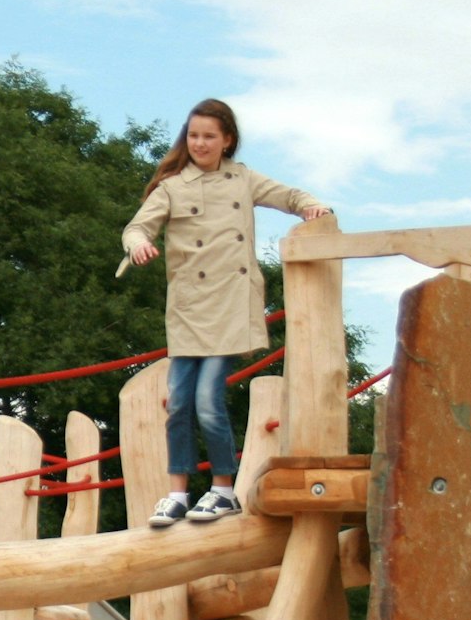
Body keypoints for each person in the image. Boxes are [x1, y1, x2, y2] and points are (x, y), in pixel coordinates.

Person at [121, 99, 331, 528]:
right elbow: (137, 226)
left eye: (209, 136)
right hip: (189, 307)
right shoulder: (172, 187)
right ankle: (177, 492)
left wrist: (312, 206)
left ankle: (222, 490)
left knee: (206, 401)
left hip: (231, 303)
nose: (200, 143)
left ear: (227, 140)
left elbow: (289, 195)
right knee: (178, 402)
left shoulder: (243, 179)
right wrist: (138, 244)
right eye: (194, 135)